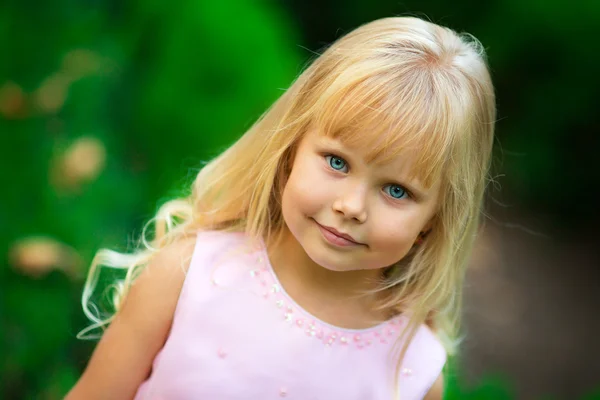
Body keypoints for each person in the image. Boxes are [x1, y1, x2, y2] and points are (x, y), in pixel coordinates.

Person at [66, 15, 496, 400]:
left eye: (397, 191)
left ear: (434, 220)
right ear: (291, 149)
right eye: (337, 162)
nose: (351, 207)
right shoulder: (188, 275)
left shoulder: (413, 374)